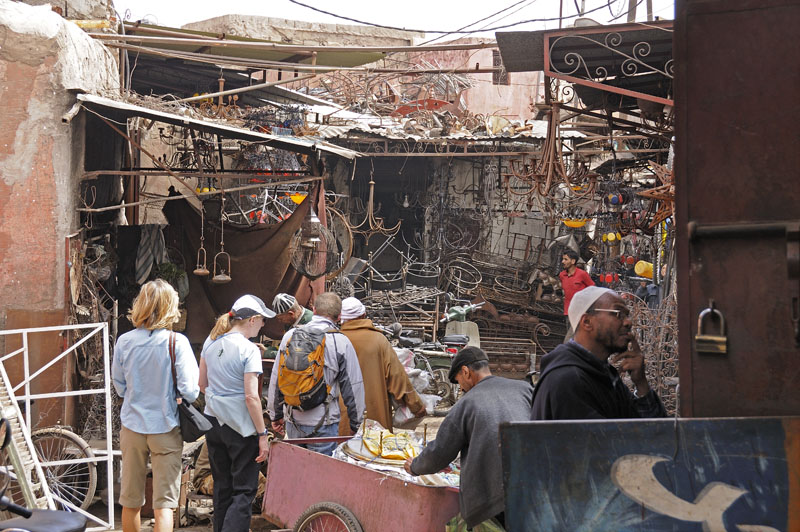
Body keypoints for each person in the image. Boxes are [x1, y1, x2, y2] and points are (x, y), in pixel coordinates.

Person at [403, 347, 533, 530]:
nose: (461, 388)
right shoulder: (524, 389)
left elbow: (440, 452)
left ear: (466, 372)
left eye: (459, 382)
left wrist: (415, 466)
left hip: (493, 497)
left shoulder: (466, 404)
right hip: (533, 484)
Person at [112, 279, 200, 532]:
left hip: (132, 425)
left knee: (130, 501)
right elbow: (190, 391)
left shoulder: (125, 341)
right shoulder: (177, 343)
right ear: (170, 308)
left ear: (141, 305)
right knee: (164, 504)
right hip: (166, 426)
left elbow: (119, 386)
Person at [531, 286, 667, 420]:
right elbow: (620, 440)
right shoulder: (568, 379)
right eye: (618, 314)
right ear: (587, 322)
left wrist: (641, 383)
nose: (628, 322)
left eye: (627, 315)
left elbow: (652, 432)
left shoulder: (601, 372)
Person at [199, 294, 275, 532]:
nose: (263, 325)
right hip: (241, 426)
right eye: (262, 320)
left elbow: (201, 385)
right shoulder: (249, 350)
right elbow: (252, 396)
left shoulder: (209, 343)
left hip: (213, 421)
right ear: (252, 320)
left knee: (223, 487)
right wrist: (262, 433)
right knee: (244, 490)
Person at [267, 292, 365, 455]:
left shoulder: (290, 337)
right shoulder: (341, 342)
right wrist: (356, 424)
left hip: (293, 422)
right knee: (321, 476)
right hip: (324, 424)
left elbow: (276, 380)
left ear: (314, 309)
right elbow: (353, 388)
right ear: (339, 316)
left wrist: (275, 414)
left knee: (297, 475)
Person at [338, 297, 426, 435]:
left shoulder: (335, 340)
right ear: (363, 315)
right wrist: (416, 405)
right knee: (374, 451)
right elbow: (397, 377)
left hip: (342, 417)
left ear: (341, 318)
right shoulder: (379, 340)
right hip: (374, 417)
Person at [559, 249, 594, 340]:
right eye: (563, 259)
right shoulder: (562, 275)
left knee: (568, 341)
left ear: (573, 261)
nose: (563, 262)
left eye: (566, 259)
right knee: (575, 339)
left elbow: (593, 289)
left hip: (580, 313)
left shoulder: (582, 274)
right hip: (568, 312)